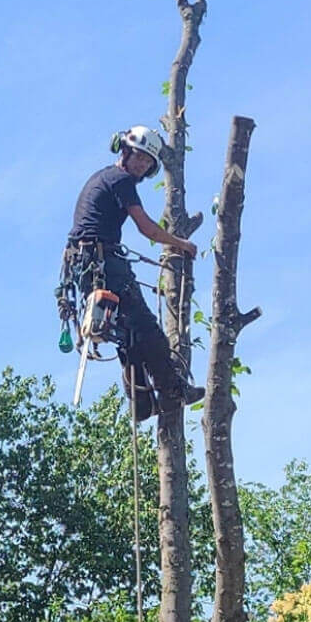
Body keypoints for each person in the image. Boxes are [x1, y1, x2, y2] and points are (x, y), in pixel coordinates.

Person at [61, 125, 204, 419]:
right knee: (147, 328)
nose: (141, 165)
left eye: (147, 162)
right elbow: (146, 228)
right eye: (138, 157)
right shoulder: (120, 180)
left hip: (88, 264)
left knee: (129, 335)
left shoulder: (104, 177)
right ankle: (174, 390)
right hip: (102, 262)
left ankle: (140, 403)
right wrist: (181, 244)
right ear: (124, 151)